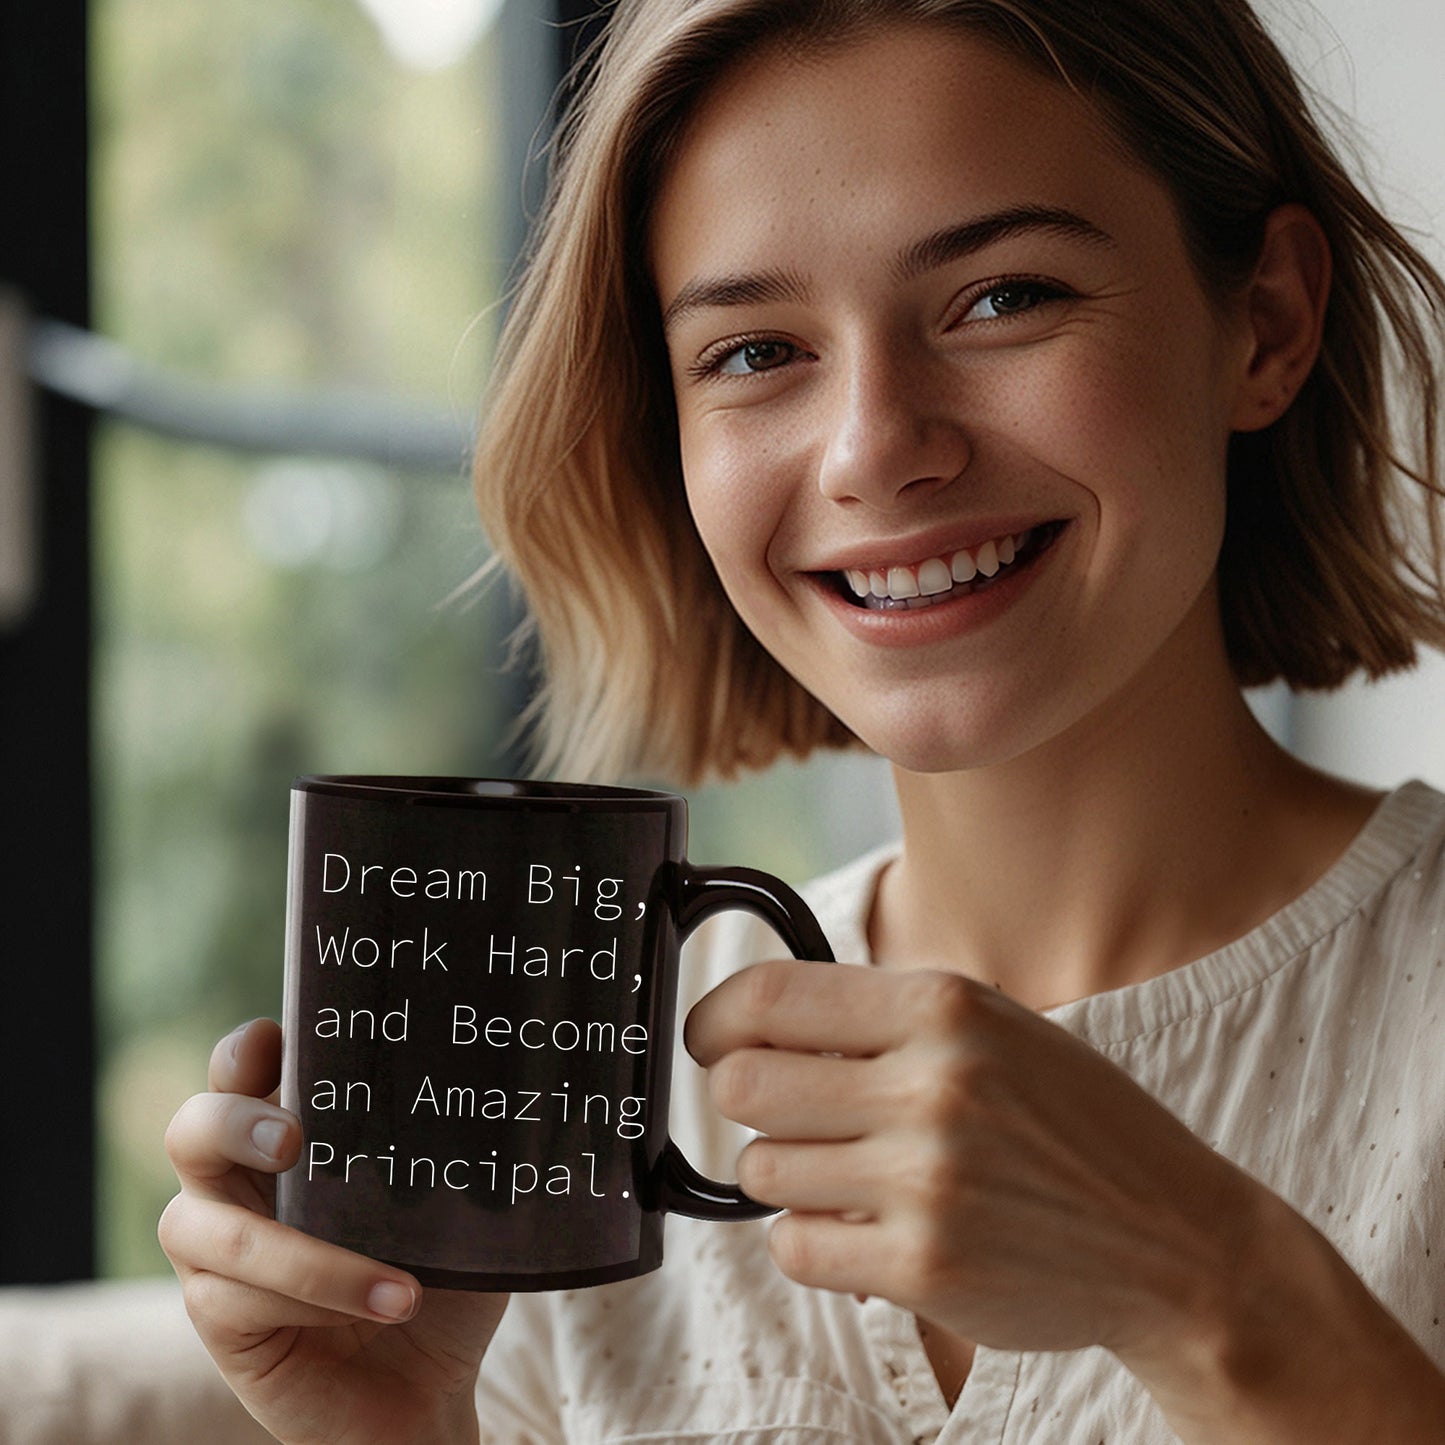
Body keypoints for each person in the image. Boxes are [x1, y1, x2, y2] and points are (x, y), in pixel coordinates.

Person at [160, 0, 1445, 1439]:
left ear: (1263, 321)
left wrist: (1209, 1286)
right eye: (755, 352)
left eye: (1003, 295)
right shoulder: (611, 1110)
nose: (871, 448)